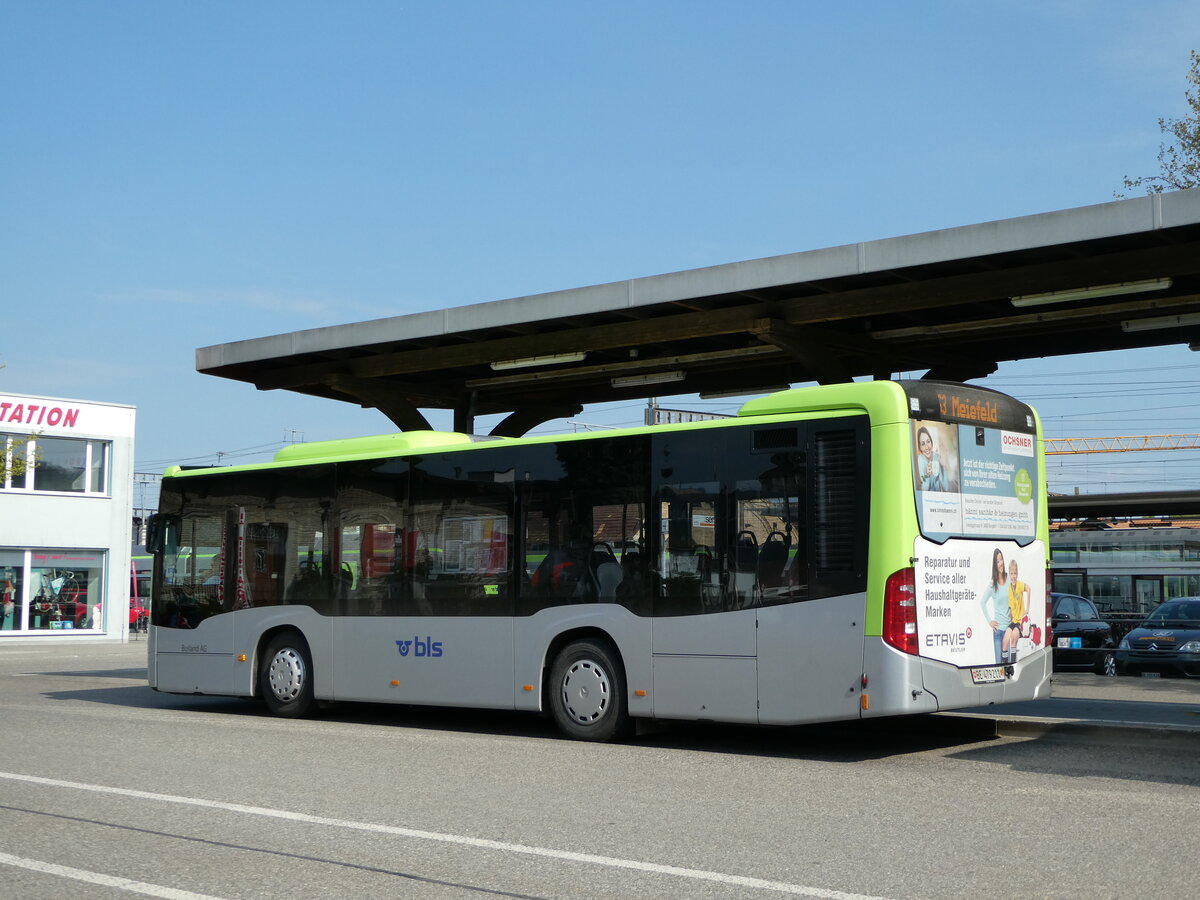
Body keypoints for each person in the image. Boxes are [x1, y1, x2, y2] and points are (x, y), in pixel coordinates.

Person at [978, 548, 1010, 665]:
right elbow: (982, 602)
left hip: (1009, 630)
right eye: (998, 561)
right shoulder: (993, 583)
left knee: (1009, 665)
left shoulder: (1009, 579)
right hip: (998, 631)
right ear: (995, 565)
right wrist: (990, 621)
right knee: (999, 665)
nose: (1000, 563)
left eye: (1001, 559)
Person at [1004, 559, 1031, 670]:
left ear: (1017, 573)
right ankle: (1004, 665)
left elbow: (1029, 589)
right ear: (1009, 574)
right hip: (1013, 620)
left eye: (1015, 573)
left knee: (1013, 640)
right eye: (1011, 573)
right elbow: (1011, 607)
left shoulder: (1019, 585)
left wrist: (1027, 608)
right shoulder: (1009, 588)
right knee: (1005, 640)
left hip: (1019, 621)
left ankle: (1012, 666)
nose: (1013, 576)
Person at [915, 426, 946, 492]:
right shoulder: (920, 459)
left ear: (931, 442)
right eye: (923, 444)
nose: (927, 447)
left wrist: (944, 467)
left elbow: (945, 486)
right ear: (920, 447)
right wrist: (927, 475)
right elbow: (924, 489)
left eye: (928, 441)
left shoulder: (937, 457)